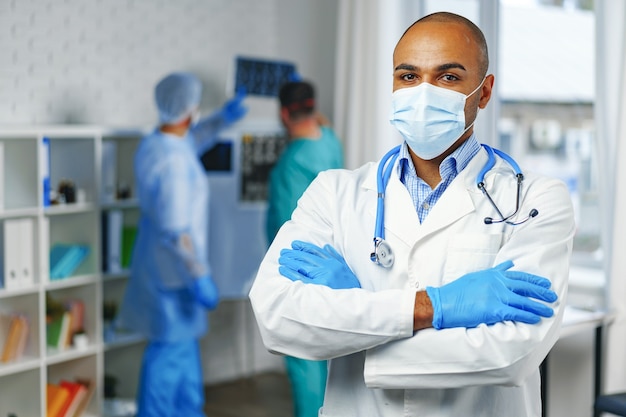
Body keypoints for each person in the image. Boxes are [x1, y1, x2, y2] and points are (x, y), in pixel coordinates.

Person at [249, 12, 575, 417]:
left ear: (484, 91)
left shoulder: (535, 200)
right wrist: (435, 307)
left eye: (448, 77)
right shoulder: (334, 192)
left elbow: (510, 355)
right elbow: (277, 318)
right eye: (408, 76)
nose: (423, 92)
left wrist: (353, 318)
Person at [118, 71, 247, 417]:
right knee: (169, 354)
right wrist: (200, 277)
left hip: (158, 264)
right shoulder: (173, 162)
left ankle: (189, 411)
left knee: (182, 351)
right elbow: (178, 234)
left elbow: (194, 140)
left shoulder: (157, 143)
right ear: (189, 110)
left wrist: (223, 119)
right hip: (175, 272)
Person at [266, 80, 344, 417]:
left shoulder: (291, 162)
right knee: (326, 360)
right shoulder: (329, 140)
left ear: (284, 113)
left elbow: (285, 231)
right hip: (334, 262)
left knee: (303, 360)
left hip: (300, 271)